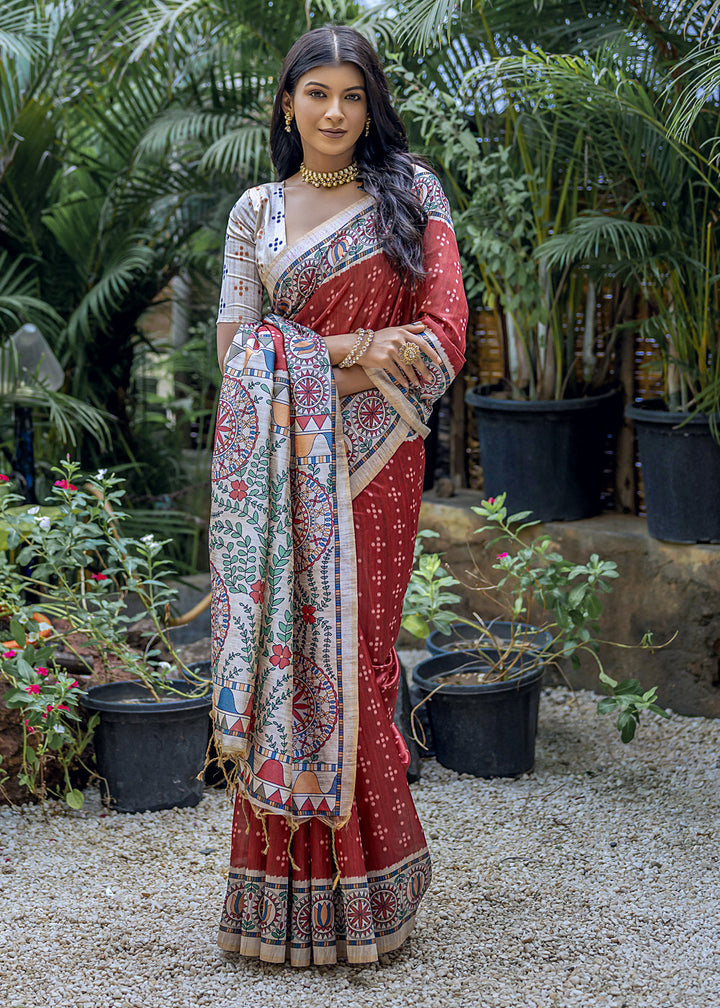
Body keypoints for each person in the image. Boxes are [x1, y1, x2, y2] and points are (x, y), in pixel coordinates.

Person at [210, 25, 467, 967]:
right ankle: (282, 906)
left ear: (371, 108)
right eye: (315, 93)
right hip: (284, 477)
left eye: (351, 96)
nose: (333, 112)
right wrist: (352, 352)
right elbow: (238, 355)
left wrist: (326, 364)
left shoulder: (413, 193)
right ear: (288, 105)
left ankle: (364, 902)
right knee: (292, 665)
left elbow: (441, 336)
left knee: (357, 665)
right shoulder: (255, 216)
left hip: (377, 463)